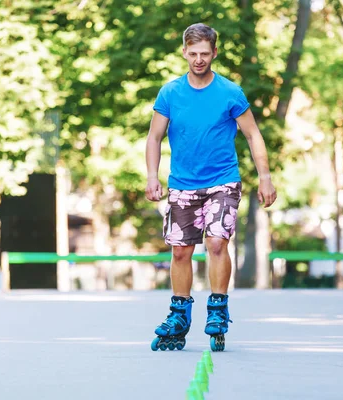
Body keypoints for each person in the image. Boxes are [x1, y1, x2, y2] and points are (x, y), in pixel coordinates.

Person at [145, 23, 277, 351]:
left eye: (205, 53)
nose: (199, 59)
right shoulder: (170, 93)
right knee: (180, 250)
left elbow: (252, 134)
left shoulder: (230, 92)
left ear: (215, 53)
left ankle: (217, 308)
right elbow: (154, 137)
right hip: (182, 184)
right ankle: (179, 313)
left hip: (223, 181)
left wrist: (265, 176)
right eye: (193, 54)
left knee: (217, 243)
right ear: (184, 52)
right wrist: (152, 175)